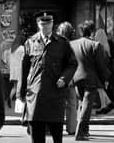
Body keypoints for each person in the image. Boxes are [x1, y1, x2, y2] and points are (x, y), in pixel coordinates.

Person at [18, 12, 77, 143]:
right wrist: (20, 92)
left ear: (52, 24)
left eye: (48, 24)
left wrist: (64, 78)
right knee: (37, 137)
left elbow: (72, 63)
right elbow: (24, 69)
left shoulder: (62, 43)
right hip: (35, 96)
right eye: (42, 24)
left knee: (57, 136)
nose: (45, 27)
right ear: (38, 25)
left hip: (55, 95)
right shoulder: (30, 42)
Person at [70, 20, 107, 141]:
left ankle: (84, 130)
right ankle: (80, 132)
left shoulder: (72, 44)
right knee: (86, 105)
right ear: (92, 31)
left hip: (76, 78)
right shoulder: (95, 45)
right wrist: (104, 79)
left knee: (82, 104)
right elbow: (101, 66)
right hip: (90, 79)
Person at [56, 21, 78, 135]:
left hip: (58, 78)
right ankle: (72, 128)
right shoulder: (74, 44)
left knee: (56, 103)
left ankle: (54, 128)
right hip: (71, 79)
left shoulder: (57, 44)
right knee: (72, 104)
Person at [94, 28, 114, 114]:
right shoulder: (107, 45)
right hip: (107, 70)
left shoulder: (99, 46)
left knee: (100, 87)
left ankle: (104, 105)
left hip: (101, 71)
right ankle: (108, 103)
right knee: (101, 88)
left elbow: (100, 62)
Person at [8, 34, 25, 108]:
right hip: (19, 68)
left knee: (15, 86)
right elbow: (25, 59)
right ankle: (19, 100)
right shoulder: (22, 48)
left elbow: (8, 59)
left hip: (13, 69)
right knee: (19, 85)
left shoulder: (11, 49)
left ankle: (10, 97)